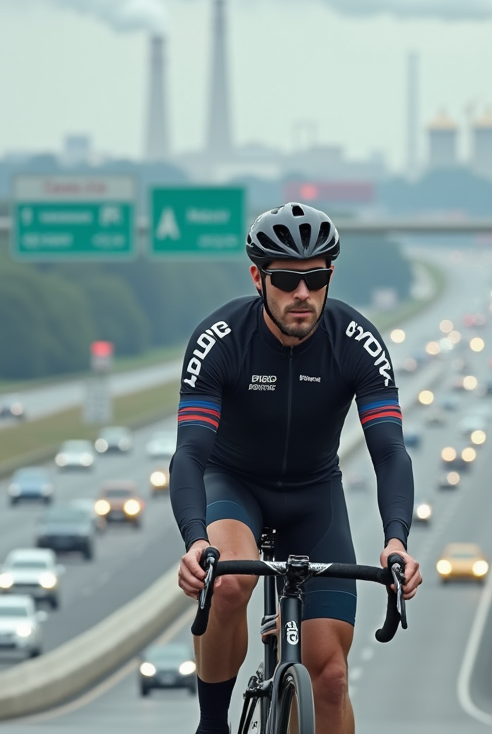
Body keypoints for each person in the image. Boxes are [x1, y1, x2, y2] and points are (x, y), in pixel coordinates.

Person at [170, 202, 423, 734]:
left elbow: (390, 452)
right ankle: (212, 723)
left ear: (331, 275)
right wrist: (195, 541)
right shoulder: (220, 339)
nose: (302, 294)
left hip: (314, 496)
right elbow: (190, 453)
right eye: (286, 280)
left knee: (329, 679)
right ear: (258, 278)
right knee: (230, 582)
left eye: (316, 278)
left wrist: (396, 541)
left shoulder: (358, 342)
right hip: (234, 483)